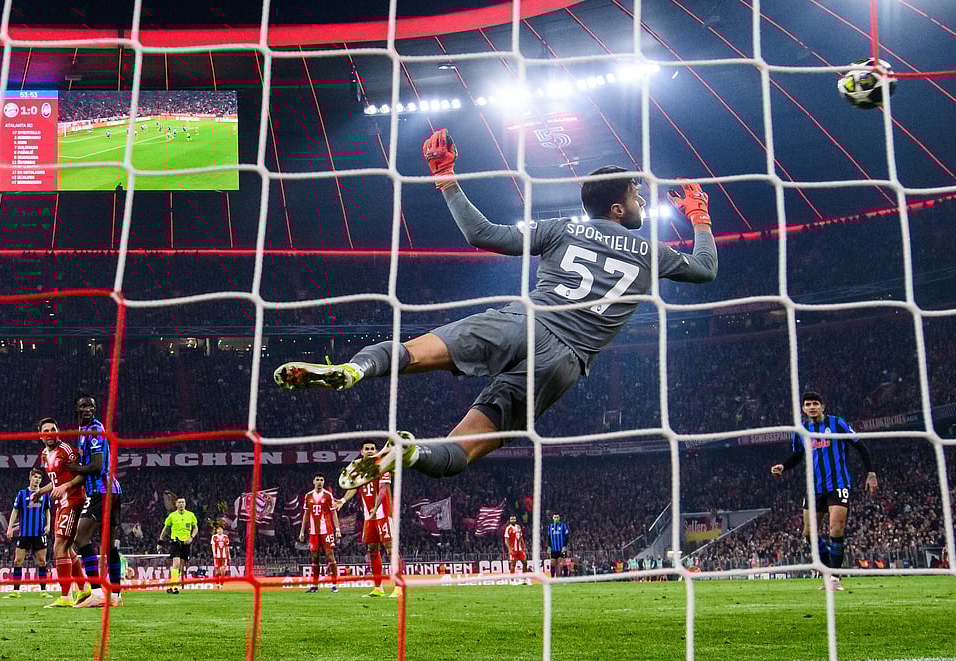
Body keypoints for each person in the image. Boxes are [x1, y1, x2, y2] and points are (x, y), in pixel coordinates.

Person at [273, 130, 719, 489]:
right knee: (462, 450)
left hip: (522, 321)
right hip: (562, 363)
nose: (642, 202)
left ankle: (354, 370)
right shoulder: (649, 251)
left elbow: (482, 234)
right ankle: (411, 452)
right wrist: (700, 216)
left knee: (412, 352)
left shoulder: (561, 229)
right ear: (618, 208)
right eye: (637, 196)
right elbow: (705, 269)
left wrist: (446, 177)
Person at [771, 391, 878, 591]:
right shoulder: (802, 430)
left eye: (815, 403)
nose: (812, 407)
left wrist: (870, 473)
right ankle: (831, 567)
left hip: (838, 485)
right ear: (803, 408)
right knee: (809, 533)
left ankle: (834, 578)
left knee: (835, 530)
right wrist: (784, 467)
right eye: (808, 404)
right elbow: (797, 455)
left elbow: (860, 446)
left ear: (823, 406)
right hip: (814, 489)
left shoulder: (837, 424)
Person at [66, 394, 124, 608]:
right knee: (108, 545)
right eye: (83, 405)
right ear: (77, 409)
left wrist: (75, 469)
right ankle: (116, 595)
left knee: (81, 538)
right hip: (112, 491)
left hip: (102, 491)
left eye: (91, 405)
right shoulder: (85, 432)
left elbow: (98, 466)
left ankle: (97, 593)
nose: (88, 408)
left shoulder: (93, 431)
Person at [336, 441, 401, 598]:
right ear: (362, 451)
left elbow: (383, 490)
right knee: (372, 550)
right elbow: (353, 488)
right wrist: (343, 501)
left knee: (391, 549)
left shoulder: (383, 466)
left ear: (376, 451)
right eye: (367, 449)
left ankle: (399, 587)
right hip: (368, 516)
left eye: (373, 448)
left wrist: (376, 509)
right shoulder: (359, 470)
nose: (370, 451)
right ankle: (378, 588)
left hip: (383, 514)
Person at [35, 417, 88, 607]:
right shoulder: (44, 454)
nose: (50, 433)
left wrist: (66, 486)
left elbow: (83, 475)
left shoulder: (67, 451)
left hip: (73, 500)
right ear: (41, 435)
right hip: (61, 503)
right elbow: (55, 482)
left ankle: (66, 596)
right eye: (46, 430)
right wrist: (41, 491)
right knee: (67, 549)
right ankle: (83, 590)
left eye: (53, 429)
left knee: (59, 547)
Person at [5, 470, 52, 599]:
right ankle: (16, 591)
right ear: (30, 478)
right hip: (24, 533)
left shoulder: (44, 494)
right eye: (35, 477)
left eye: (39, 478)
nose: (37, 480)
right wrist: (9, 528)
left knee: (42, 561)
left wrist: (48, 525)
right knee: (17, 561)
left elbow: (47, 511)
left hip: (39, 532)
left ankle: (43, 591)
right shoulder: (22, 494)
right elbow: (15, 511)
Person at [298, 473, 340, 593]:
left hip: (327, 530)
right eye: (317, 479)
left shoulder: (328, 495)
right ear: (313, 481)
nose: (319, 482)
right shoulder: (308, 496)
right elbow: (306, 514)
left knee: (330, 555)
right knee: (314, 558)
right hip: (314, 532)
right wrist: (302, 531)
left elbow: (333, 513)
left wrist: (337, 529)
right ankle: (315, 586)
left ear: (324, 482)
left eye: (321, 480)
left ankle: (334, 584)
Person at [158, 497, 198, 595]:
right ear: (176, 504)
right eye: (179, 502)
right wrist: (160, 542)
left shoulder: (191, 515)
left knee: (180, 565)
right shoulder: (172, 516)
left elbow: (195, 528)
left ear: (185, 504)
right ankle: (175, 587)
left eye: (183, 502)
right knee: (176, 563)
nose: (181, 504)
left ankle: (171, 586)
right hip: (175, 541)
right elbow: (165, 529)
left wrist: (191, 538)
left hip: (186, 542)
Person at [503, 516, 530, 585]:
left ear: (516, 519)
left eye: (514, 519)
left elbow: (521, 537)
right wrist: (509, 549)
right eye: (511, 519)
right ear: (510, 520)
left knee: (525, 563)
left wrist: (524, 546)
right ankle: (512, 580)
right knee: (513, 564)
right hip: (513, 549)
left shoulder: (518, 527)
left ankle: (524, 579)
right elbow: (506, 540)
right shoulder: (508, 528)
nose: (513, 520)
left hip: (520, 549)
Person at [547, 513, 570, 578]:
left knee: (563, 563)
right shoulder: (550, 527)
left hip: (561, 549)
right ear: (553, 518)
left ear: (559, 518)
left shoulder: (563, 526)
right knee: (552, 563)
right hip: (554, 549)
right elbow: (549, 537)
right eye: (555, 517)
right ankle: (552, 578)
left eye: (557, 517)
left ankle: (565, 579)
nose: (556, 519)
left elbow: (567, 537)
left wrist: (564, 546)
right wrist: (549, 546)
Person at [211, 523, 231, 588]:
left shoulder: (226, 537)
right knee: (217, 571)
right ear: (217, 530)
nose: (220, 530)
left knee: (223, 571)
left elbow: (227, 547)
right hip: (217, 557)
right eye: (218, 529)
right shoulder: (214, 537)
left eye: (221, 529)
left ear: (222, 530)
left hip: (224, 556)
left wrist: (229, 555)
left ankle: (221, 584)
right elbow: (213, 546)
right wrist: (214, 553)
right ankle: (217, 584)